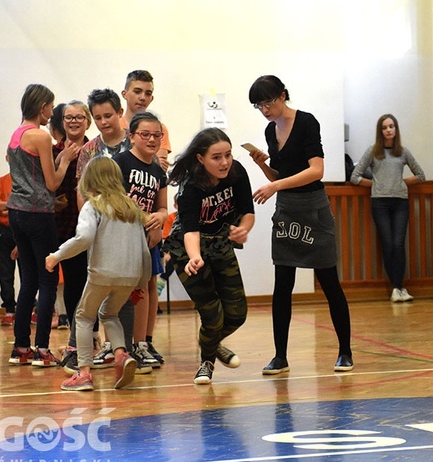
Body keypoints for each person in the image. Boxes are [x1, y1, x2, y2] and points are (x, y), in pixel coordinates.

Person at [248, 75, 353, 374]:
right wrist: (261, 165)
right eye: (259, 105)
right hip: (287, 210)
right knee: (283, 284)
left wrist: (276, 186)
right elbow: (278, 176)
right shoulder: (271, 130)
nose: (265, 109)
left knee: (329, 282)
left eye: (269, 102)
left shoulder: (306, 121)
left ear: (283, 95)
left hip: (313, 208)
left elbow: (316, 170)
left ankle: (345, 351)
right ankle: (280, 356)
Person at [46, 156, 150, 391]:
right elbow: (144, 248)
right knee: (109, 314)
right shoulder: (131, 206)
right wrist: (141, 282)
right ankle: (122, 355)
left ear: (89, 180)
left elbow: (84, 238)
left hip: (103, 273)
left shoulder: (94, 205)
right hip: (130, 275)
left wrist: (57, 255)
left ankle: (83, 374)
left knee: (83, 317)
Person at [166, 128, 255, 384]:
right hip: (187, 251)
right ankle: (207, 362)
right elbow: (190, 232)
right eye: (216, 157)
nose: (225, 162)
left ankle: (211, 344)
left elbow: (248, 213)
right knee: (212, 315)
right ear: (200, 159)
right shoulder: (191, 187)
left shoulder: (236, 172)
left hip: (220, 244)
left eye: (227, 155)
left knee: (237, 313)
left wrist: (243, 230)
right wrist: (194, 257)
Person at [6, 84, 78, 367]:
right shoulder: (41, 135)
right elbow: (52, 183)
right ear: (42, 107)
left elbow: (33, 174)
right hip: (38, 214)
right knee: (48, 279)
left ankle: (21, 346)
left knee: (28, 281)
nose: (53, 111)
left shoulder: (17, 134)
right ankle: (43, 349)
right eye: (51, 106)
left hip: (17, 212)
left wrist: (58, 159)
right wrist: (67, 160)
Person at [112, 112, 168, 368]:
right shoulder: (120, 162)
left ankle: (141, 345)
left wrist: (159, 218)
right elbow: (116, 201)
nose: (152, 139)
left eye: (157, 135)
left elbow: (163, 207)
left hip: (147, 239)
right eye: (145, 134)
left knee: (143, 289)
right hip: (122, 236)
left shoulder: (159, 171)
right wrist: (145, 217)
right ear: (131, 136)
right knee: (119, 291)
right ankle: (114, 346)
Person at [350, 114, 426, 302]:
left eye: (391, 126)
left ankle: (400, 288)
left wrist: (400, 182)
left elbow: (421, 175)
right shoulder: (373, 151)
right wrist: (377, 184)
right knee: (388, 244)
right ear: (380, 131)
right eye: (385, 127)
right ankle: (395, 288)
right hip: (380, 202)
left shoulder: (403, 152)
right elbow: (355, 176)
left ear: (396, 129)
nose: (389, 130)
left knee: (399, 244)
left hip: (400, 201)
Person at [53, 101, 91, 372]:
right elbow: (47, 185)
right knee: (75, 284)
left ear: (87, 121)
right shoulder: (54, 150)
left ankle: (95, 337)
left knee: (96, 283)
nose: (74, 121)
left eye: (79, 117)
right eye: (69, 117)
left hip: (95, 225)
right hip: (66, 226)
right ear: (62, 121)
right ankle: (76, 341)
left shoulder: (96, 149)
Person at [120, 70, 172, 171]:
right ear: (124, 94)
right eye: (137, 92)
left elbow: (160, 167)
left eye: (148, 93)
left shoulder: (160, 128)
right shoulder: (116, 126)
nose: (142, 97)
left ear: (151, 98)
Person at [0, 169, 18, 326]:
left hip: (23, 227)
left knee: (27, 270)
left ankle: (27, 308)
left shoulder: (27, 179)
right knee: (5, 271)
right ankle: (9, 309)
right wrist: (14, 205)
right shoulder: (1, 181)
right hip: (5, 231)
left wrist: (6, 207)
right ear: (8, 158)